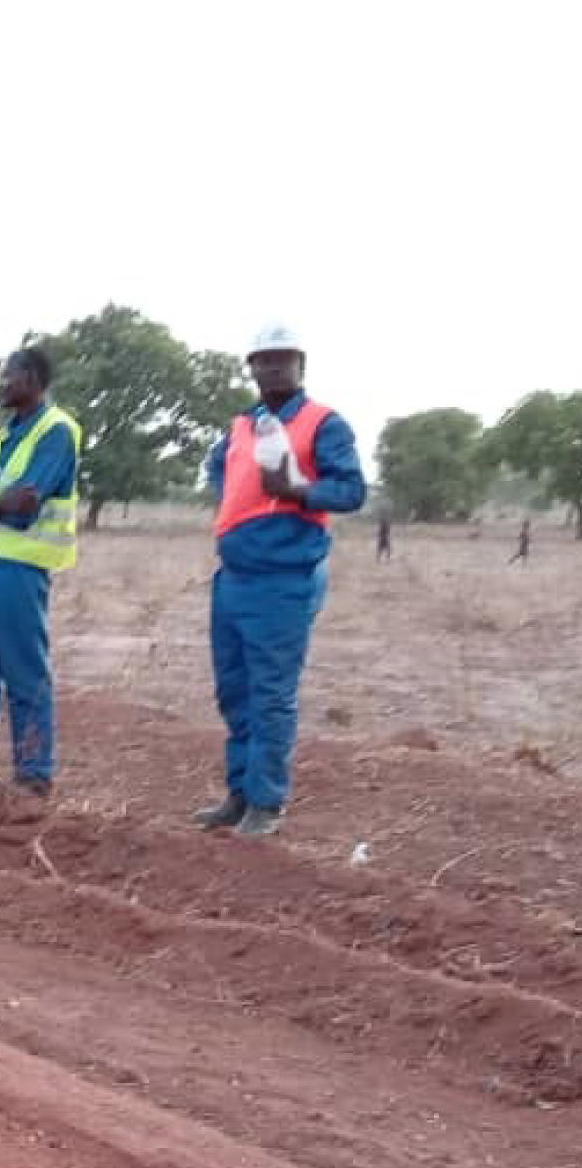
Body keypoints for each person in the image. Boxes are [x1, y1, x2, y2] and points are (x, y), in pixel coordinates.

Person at [194, 324, 367, 838]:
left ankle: (265, 804)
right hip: (233, 576)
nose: (270, 368)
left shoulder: (323, 424)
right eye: (261, 361)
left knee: (270, 693)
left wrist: (295, 491)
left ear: (300, 365)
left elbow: (352, 491)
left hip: (282, 579)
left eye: (281, 359)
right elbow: (219, 472)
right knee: (234, 691)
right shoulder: (243, 425)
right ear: (250, 368)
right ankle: (240, 794)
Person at [0, 348, 82, 796]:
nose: (1, 384)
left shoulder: (57, 432)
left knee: (25, 670)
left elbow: (27, 504)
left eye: (8, 376)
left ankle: (33, 772)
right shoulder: (4, 438)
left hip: (23, 568)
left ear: (32, 378)